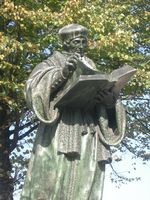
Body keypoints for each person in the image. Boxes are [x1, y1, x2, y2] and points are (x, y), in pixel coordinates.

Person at [21, 24, 126, 200]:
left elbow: (105, 102)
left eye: (85, 42)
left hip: (89, 131)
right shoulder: (50, 63)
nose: (82, 45)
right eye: (77, 41)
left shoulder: (90, 65)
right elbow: (33, 88)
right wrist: (62, 74)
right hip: (60, 128)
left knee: (85, 182)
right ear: (67, 43)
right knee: (53, 177)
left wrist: (109, 103)